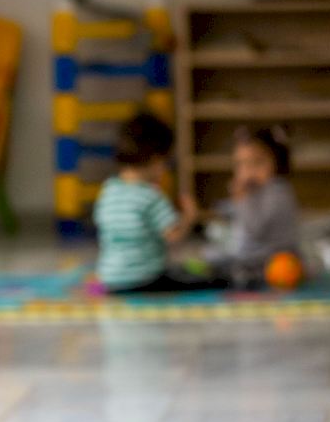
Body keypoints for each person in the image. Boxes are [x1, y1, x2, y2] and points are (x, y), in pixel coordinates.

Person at [94, 113, 211, 293]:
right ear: (156, 160)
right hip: (146, 279)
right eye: (166, 163)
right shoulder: (150, 196)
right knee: (208, 279)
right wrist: (190, 216)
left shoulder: (109, 189)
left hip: (110, 278)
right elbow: (173, 236)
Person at [204, 126, 301, 285]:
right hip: (252, 257)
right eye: (241, 164)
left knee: (222, 270)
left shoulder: (277, 190)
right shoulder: (254, 191)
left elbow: (255, 230)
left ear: (277, 162)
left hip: (271, 260)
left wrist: (241, 199)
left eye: (257, 163)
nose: (248, 172)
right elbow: (231, 213)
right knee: (210, 255)